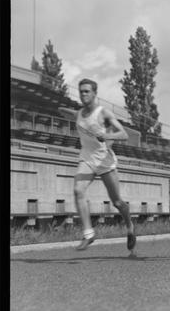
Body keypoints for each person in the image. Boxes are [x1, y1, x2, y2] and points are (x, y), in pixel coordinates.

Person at [58, 78, 136, 253]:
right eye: (81, 91)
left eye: (87, 91)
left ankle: (130, 227)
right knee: (78, 190)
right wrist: (62, 109)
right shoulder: (78, 114)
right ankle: (88, 233)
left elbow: (124, 134)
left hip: (105, 161)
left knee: (117, 202)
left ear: (94, 93)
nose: (83, 94)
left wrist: (107, 135)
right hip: (87, 159)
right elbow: (70, 114)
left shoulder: (104, 113)